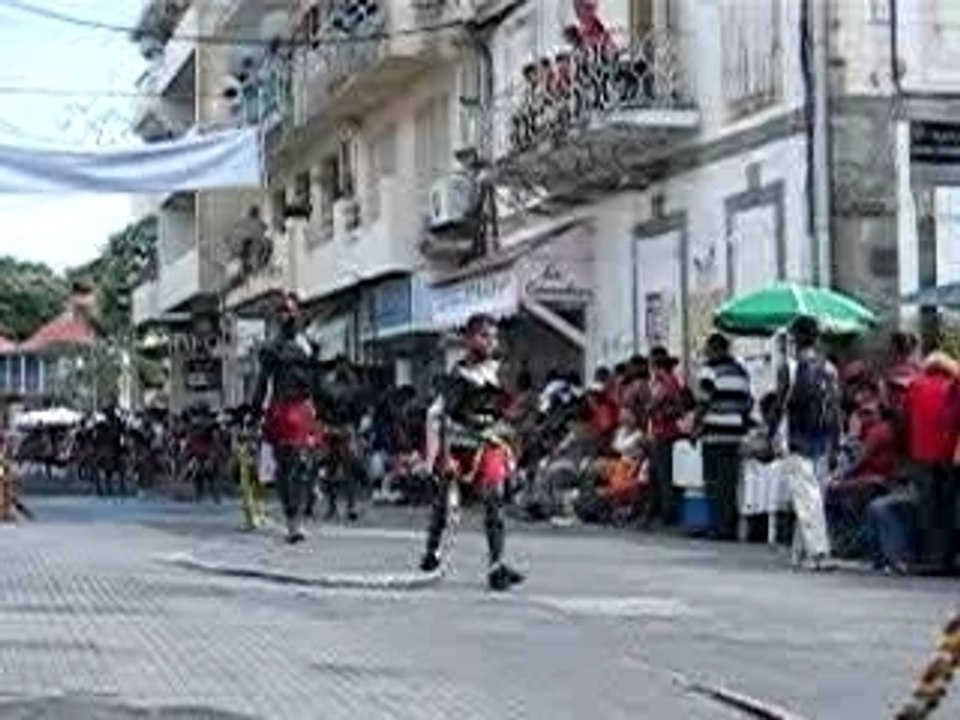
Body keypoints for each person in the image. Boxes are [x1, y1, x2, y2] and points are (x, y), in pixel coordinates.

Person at [420, 313, 525, 591]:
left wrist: (507, 425)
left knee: (495, 499)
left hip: (490, 444)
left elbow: (511, 411)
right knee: (443, 501)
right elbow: (443, 416)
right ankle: (432, 550)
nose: (491, 342)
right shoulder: (456, 376)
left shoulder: (502, 372)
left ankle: (496, 565)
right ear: (469, 339)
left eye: (493, 336)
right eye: (484, 335)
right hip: (460, 444)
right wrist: (440, 456)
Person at [250, 293, 322, 543]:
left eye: (291, 310)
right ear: (276, 317)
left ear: (298, 314)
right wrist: (254, 412)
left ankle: (297, 517)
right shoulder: (271, 348)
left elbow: (317, 382)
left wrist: (319, 410)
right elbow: (262, 383)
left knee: (304, 467)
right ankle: (293, 521)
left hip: (304, 411)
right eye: (282, 311)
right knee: (287, 466)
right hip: (281, 411)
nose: (287, 315)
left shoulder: (309, 346)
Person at [775, 317, 841, 570]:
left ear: (794, 339)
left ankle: (818, 554)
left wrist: (771, 435)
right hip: (823, 440)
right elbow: (835, 411)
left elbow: (778, 407)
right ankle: (800, 553)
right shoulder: (830, 368)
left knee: (807, 499)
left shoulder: (788, 368)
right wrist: (836, 444)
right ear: (817, 338)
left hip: (797, 439)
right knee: (812, 499)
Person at [903, 351, 960, 575]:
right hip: (949, 456)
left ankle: (935, 559)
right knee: (949, 508)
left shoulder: (916, 385)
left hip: (924, 457)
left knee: (930, 509)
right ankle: (948, 557)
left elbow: (906, 418)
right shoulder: (952, 385)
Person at [695, 333, 753, 541]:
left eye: (708, 349)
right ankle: (728, 527)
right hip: (735, 435)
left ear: (714, 349)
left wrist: (695, 427)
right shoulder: (741, 372)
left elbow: (703, 401)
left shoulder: (709, 371)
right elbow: (748, 403)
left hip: (713, 434)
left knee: (712, 482)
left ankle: (717, 527)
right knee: (728, 484)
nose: (706, 353)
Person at [643, 346, 687, 528]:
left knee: (664, 476)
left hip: (665, 434)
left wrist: (651, 408)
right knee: (659, 475)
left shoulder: (664, 381)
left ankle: (667, 514)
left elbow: (653, 405)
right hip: (664, 433)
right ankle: (657, 512)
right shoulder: (672, 380)